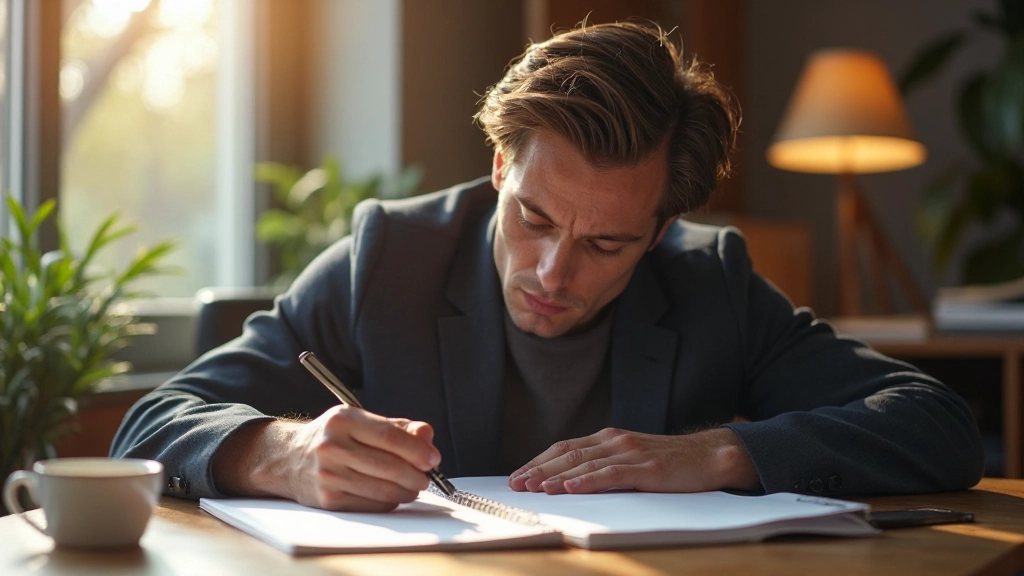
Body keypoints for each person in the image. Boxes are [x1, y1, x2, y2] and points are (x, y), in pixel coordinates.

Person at [111, 22, 984, 512]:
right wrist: (285, 451)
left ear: (661, 227)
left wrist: (721, 455)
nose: (553, 273)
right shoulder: (390, 259)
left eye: (607, 244)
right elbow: (151, 422)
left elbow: (937, 424)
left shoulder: (709, 279)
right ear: (498, 168)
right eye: (531, 217)